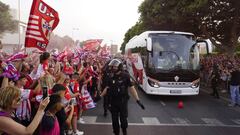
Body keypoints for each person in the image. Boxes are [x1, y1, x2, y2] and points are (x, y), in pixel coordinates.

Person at [100, 58, 145, 135]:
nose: (112, 69)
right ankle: (116, 133)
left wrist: (138, 100)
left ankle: (124, 131)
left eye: (114, 67)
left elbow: (132, 88)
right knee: (114, 121)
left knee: (123, 121)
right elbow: (107, 88)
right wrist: (99, 96)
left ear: (119, 67)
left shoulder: (126, 76)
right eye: (111, 67)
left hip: (123, 102)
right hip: (113, 102)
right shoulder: (110, 77)